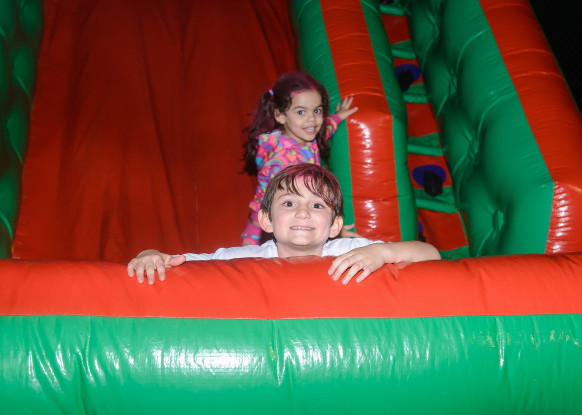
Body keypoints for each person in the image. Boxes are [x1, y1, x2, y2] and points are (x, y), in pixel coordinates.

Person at [128, 164, 441, 285]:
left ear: (335, 226)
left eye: (317, 205)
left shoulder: (351, 251)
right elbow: (184, 264)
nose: (303, 212)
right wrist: (150, 254)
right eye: (289, 203)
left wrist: (381, 253)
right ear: (266, 219)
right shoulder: (243, 260)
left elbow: (430, 254)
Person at [241, 72, 359, 245]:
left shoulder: (304, 134)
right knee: (253, 251)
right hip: (267, 222)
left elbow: (324, 130)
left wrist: (338, 116)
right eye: (301, 112)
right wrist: (334, 230)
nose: (312, 119)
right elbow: (291, 205)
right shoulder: (283, 162)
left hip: (287, 212)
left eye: (317, 110)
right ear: (280, 115)